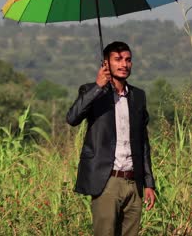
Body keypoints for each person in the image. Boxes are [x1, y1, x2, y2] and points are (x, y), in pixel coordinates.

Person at [66, 41, 156, 236]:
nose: (124, 64)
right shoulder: (91, 91)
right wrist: (98, 86)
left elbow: (143, 142)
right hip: (107, 180)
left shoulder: (138, 96)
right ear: (106, 63)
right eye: (117, 59)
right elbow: (72, 118)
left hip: (134, 183)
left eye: (128, 60)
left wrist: (149, 183)